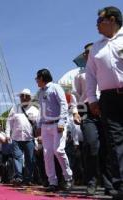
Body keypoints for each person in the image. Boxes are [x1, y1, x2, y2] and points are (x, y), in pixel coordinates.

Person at [86, 6, 123, 199]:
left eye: (100, 20)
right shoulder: (96, 48)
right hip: (108, 98)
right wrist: (92, 99)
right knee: (115, 142)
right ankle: (121, 185)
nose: (97, 24)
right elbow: (90, 76)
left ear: (112, 20)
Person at [74, 43, 114, 195]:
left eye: (90, 51)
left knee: (108, 146)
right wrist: (76, 112)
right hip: (87, 111)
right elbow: (78, 96)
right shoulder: (80, 75)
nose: (87, 54)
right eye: (85, 53)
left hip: (107, 108)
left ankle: (109, 183)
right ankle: (91, 181)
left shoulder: (106, 69)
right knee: (91, 145)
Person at [36, 69, 73, 192]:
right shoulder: (40, 93)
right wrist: (39, 125)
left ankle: (68, 177)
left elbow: (63, 104)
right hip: (45, 126)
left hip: (57, 124)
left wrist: (62, 121)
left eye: (37, 78)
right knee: (47, 154)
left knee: (59, 150)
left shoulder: (55, 87)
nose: (36, 80)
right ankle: (52, 181)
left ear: (42, 78)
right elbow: (41, 110)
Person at [6, 88, 39, 186]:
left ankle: (28, 178)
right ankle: (18, 177)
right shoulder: (14, 108)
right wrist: (7, 134)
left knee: (30, 159)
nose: (23, 98)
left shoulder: (35, 110)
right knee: (17, 157)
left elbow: (39, 125)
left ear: (30, 98)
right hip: (16, 138)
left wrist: (37, 138)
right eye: (22, 96)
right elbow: (9, 122)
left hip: (30, 139)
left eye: (26, 96)